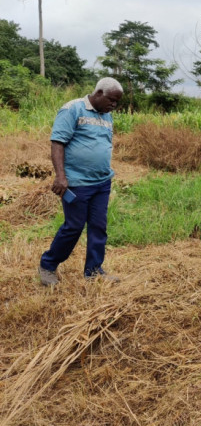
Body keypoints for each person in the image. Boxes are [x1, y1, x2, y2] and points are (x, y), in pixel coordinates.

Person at [38, 78, 124, 286]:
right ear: (99, 93)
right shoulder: (72, 109)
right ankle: (48, 265)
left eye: (117, 102)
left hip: (102, 183)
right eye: (112, 100)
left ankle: (94, 271)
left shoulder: (107, 116)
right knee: (74, 227)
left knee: (98, 227)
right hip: (77, 183)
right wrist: (60, 176)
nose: (114, 105)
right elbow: (58, 142)